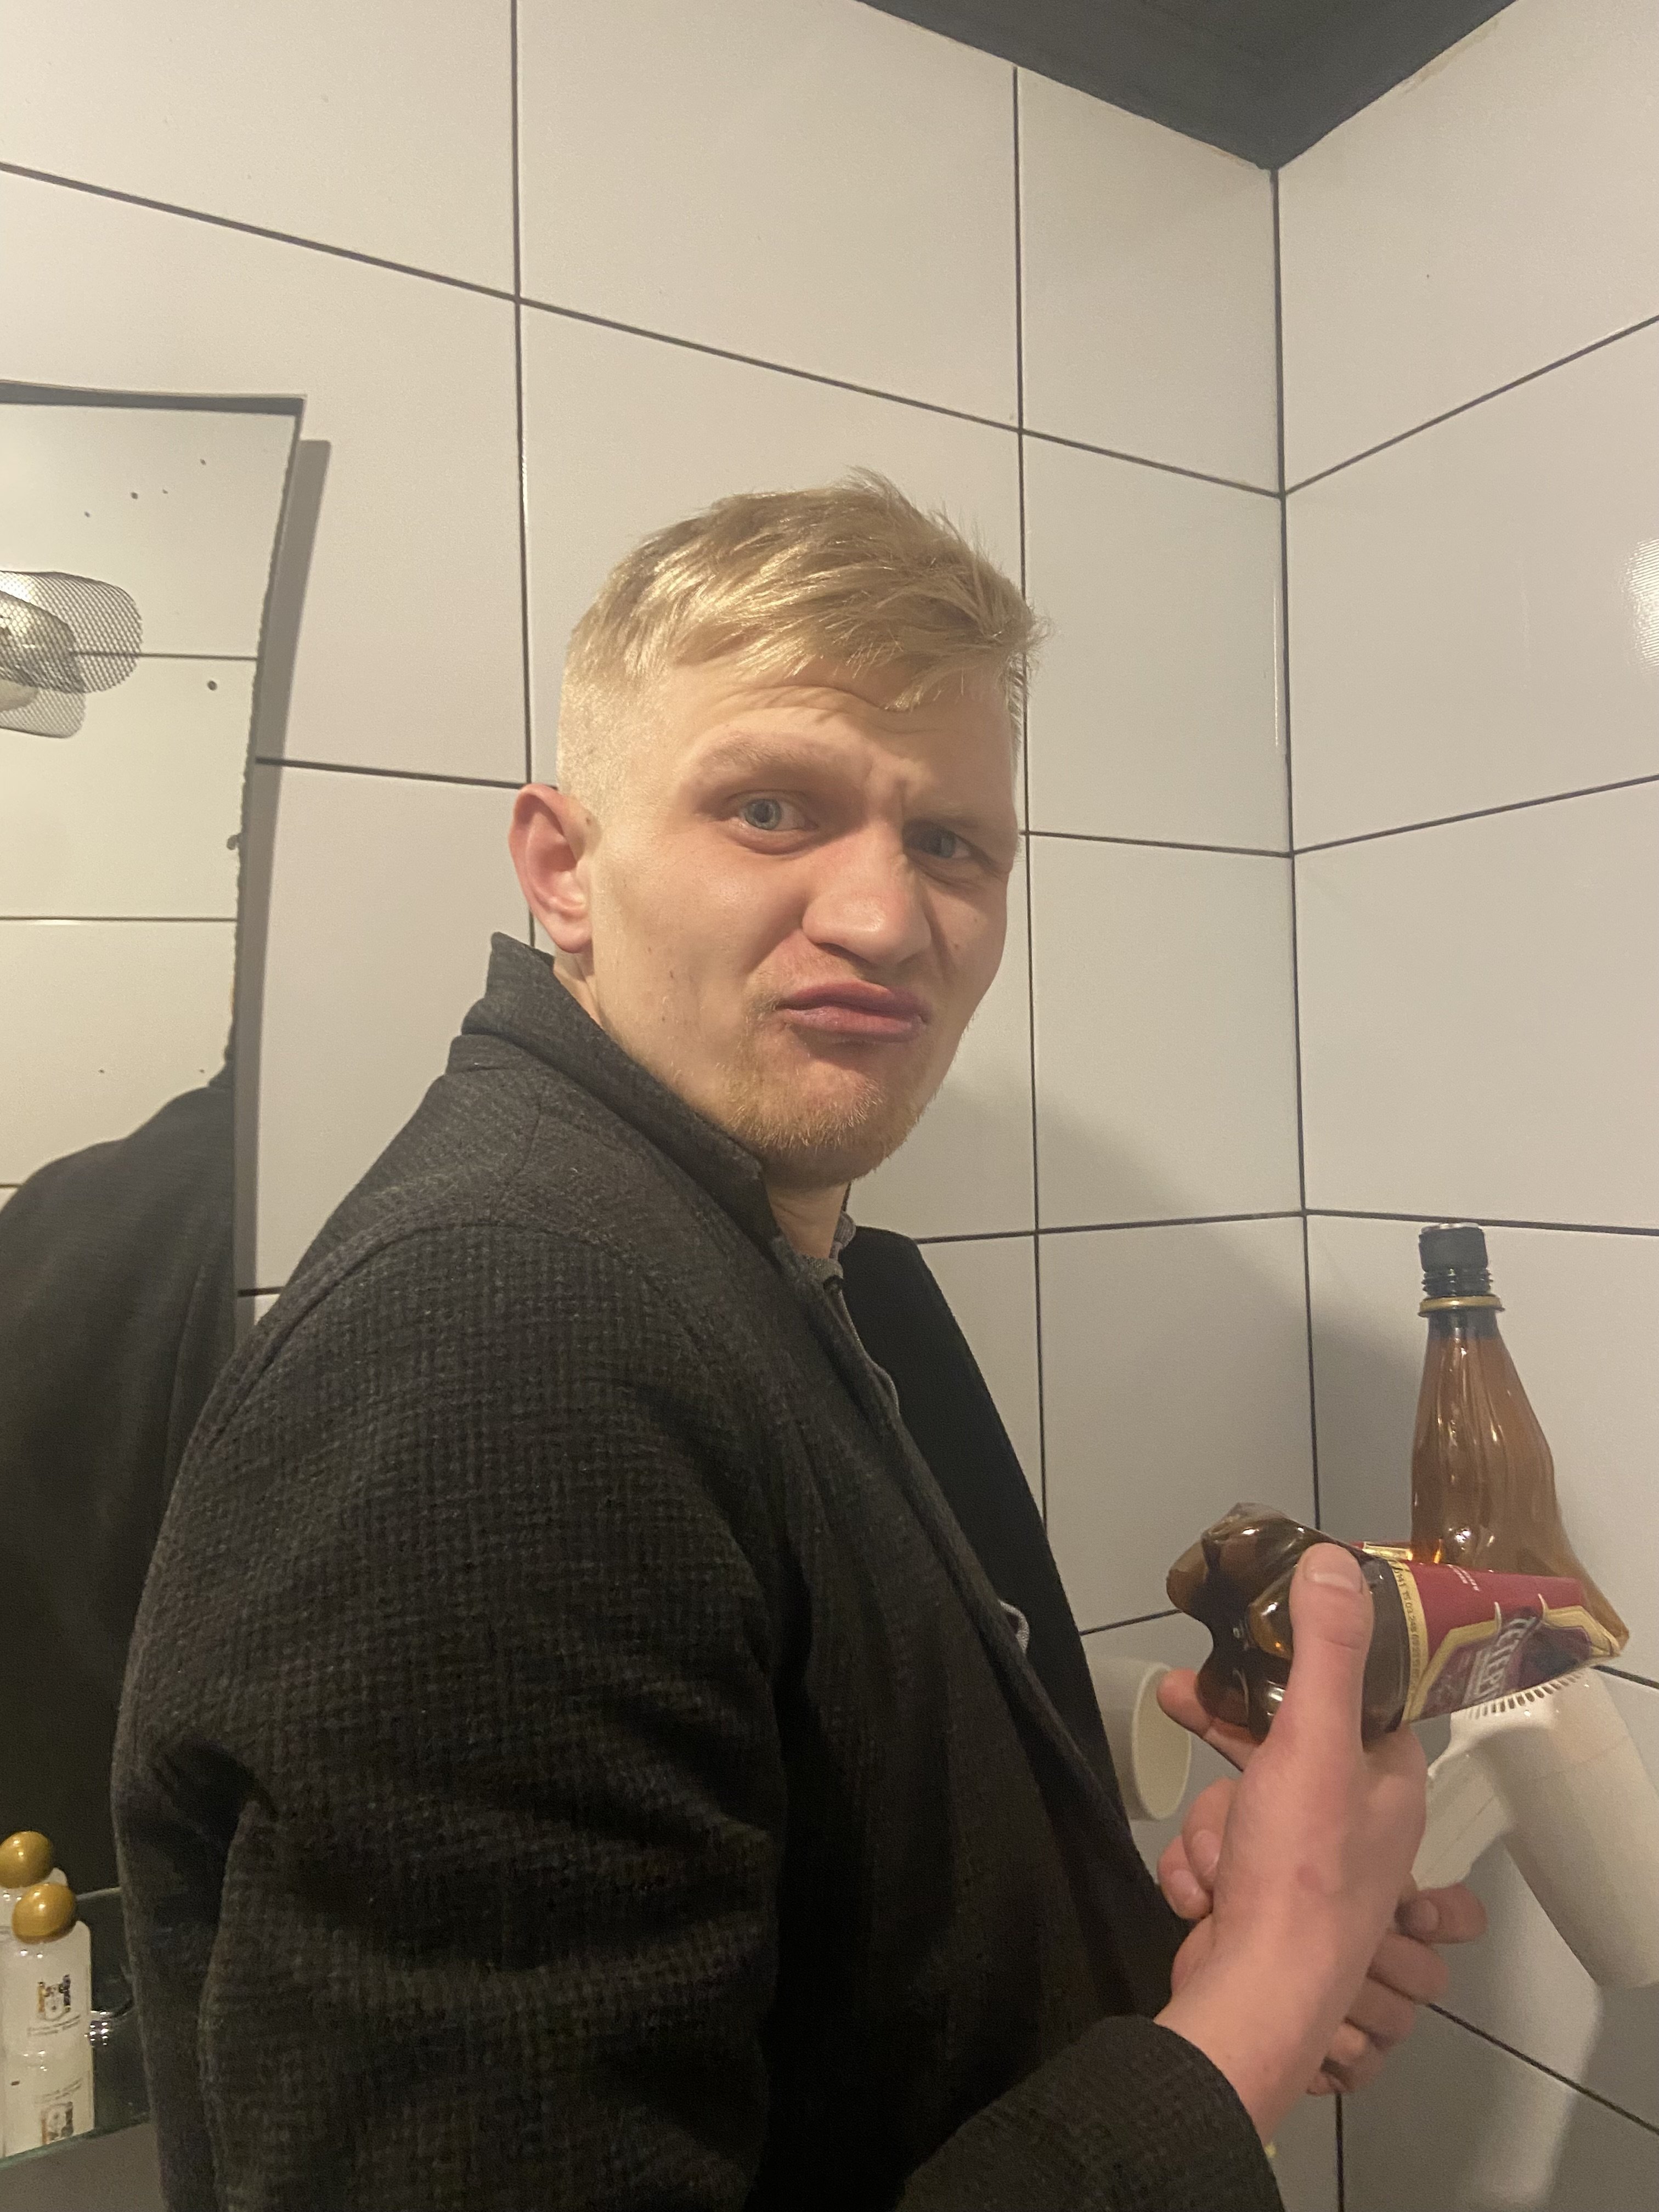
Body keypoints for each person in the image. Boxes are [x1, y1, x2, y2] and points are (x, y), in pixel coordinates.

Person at [113, 475, 1482, 2210]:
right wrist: (1270, 1989)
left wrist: (1198, 1999)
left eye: (952, 844)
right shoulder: (507, 1337)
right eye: (770, 809)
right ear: (564, 868)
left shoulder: (729, 1260)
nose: (886, 919)